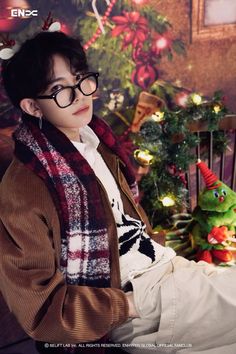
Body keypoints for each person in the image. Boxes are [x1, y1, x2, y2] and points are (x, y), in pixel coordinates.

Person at [0, 31, 236, 354]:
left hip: (167, 271)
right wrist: (130, 305)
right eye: (59, 90)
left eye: (81, 79)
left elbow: (126, 225)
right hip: (138, 301)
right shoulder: (24, 188)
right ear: (32, 106)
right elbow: (39, 308)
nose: (81, 95)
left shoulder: (94, 140)